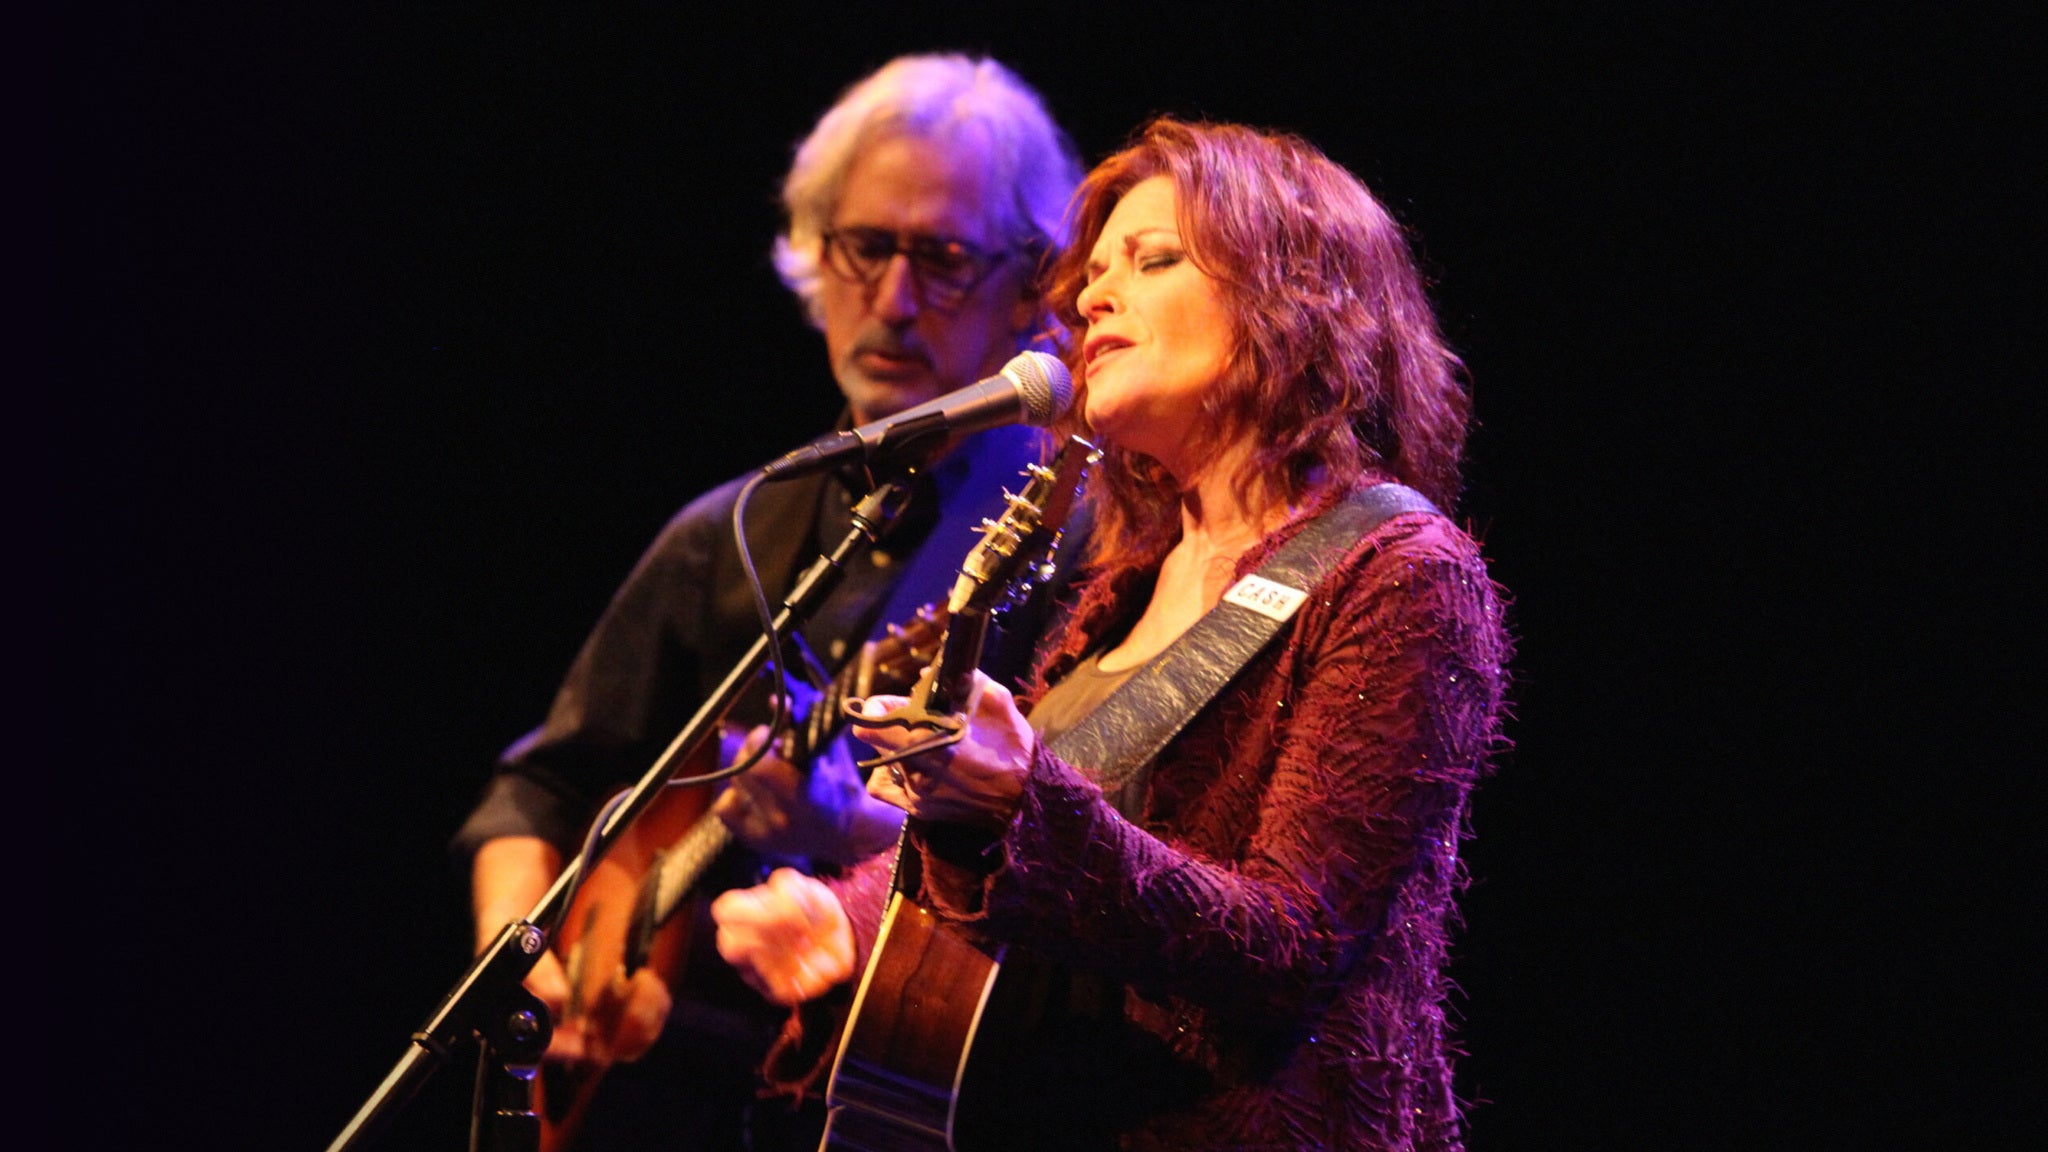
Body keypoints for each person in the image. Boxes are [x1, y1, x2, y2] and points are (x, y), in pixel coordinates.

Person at [711, 118, 1512, 1151]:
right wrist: (849, 918)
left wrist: (1013, 797)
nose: (1091, 297)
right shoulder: (1121, 592)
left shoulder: (1399, 573)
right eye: (1091, 273)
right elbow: (1064, 870)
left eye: (1151, 260)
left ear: (1292, 295)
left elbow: (1289, 945)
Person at [451, 54, 1084, 1151]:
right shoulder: (730, 527)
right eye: (863, 247)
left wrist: (851, 824)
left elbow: (1085, 855)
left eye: (941, 258)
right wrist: (532, 960)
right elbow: (539, 787)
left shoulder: (1073, 536)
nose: (890, 302)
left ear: (1033, 283)